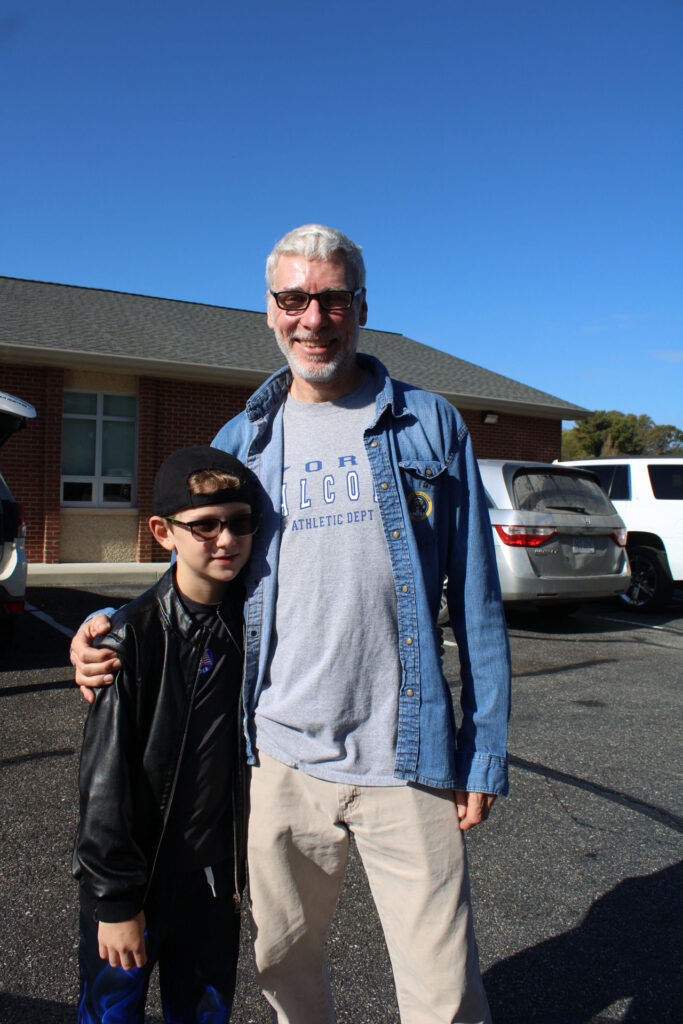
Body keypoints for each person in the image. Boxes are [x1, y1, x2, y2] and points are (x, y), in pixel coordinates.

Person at [71, 224, 511, 1024]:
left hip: (406, 760)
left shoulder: (430, 423)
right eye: (293, 299)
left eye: (331, 298)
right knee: (283, 974)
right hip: (275, 761)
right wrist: (108, 621)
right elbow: (196, 569)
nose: (313, 317)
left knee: (444, 993)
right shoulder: (244, 440)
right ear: (270, 312)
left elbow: (475, 597)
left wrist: (481, 752)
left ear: (360, 307)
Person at [73, 445, 259, 1023]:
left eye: (239, 523)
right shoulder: (129, 641)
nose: (226, 540)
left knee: (203, 1013)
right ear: (163, 532)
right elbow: (103, 786)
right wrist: (115, 902)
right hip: (138, 883)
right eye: (204, 526)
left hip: (211, 883)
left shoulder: (257, 625)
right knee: (111, 1014)